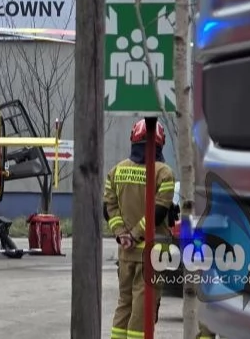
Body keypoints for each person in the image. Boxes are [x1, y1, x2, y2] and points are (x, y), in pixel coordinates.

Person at [104, 119, 176, 339]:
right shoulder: (164, 173)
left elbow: (108, 208)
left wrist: (122, 235)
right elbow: (158, 213)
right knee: (143, 310)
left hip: (125, 252)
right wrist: (136, 235)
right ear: (160, 143)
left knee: (124, 303)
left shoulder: (116, 170)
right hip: (152, 254)